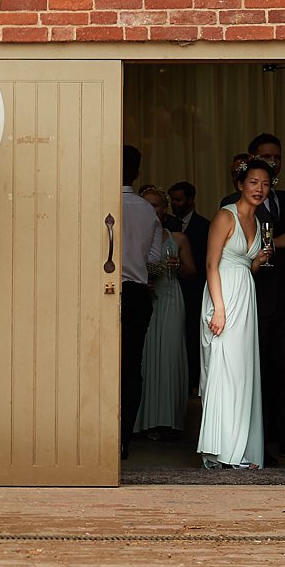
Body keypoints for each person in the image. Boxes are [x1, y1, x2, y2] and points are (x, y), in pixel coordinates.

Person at [221, 134, 285, 462]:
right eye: (266, 157)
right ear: (251, 160)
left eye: (277, 157)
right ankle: (258, 440)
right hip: (254, 297)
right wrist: (278, 244)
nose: (272, 163)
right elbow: (232, 252)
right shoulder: (232, 202)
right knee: (257, 372)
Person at [196, 159, 272, 469]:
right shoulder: (225, 216)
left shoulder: (259, 222)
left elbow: (248, 265)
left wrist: (260, 258)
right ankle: (221, 449)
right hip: (223, 296)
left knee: (242, 371)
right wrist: (219, 309)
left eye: (266, 184)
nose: (260, 189)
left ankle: (241, 448)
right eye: (254, 182)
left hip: (245, 295)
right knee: (224, 369)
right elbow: (212, 264)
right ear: (241, 184)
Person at [135, 184, 195, 435]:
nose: (151, 209)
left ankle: (169, 421)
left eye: (156, 205)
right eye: (146, 205)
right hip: (147, 299)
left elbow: (193, 272)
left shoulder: (178, 238)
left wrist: (179, 265)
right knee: (146, 359)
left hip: (170, 298)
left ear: (164, 208)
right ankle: (143, 422)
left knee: (169, 357)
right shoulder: (135, 236)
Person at [118, 146, 163, 458]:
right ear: (136, 173)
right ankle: (123, 440)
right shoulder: (146, 210)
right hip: (136, 292)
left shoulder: (98, 203)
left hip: (102, 292)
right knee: (132, 367)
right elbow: (155, 259)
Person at [165, 181, 210, 394]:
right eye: (172, 199)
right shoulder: (166, 225)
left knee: (192, 336)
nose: (174, 204)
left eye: (179, 200)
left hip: (194, 290)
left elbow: (207, 260)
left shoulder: (205, 226)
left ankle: (192, 383)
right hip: (169, 290)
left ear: (191, 200)